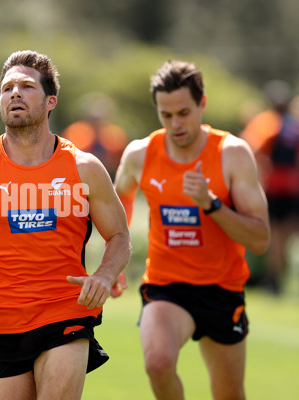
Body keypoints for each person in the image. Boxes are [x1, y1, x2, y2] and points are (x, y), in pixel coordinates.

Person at [0, 50, 131, 400]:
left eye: (26, 86)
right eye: (7, 87)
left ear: (50, 101)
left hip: (66, 310)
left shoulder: (84, 168)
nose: (15, 93)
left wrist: (104, 274)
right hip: (5, 320)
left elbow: (119, 235)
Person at [114, 60, 270, 399]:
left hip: (222, 287)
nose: (175, 124)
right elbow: (117, 201)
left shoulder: (232, 154)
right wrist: (114, 259)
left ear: (202, 104)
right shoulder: (140, 154)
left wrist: (212, 204)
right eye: (166, 115)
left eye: (184, 113)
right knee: (157, 363)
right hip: (166, 286)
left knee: (228, 393)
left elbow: (260, 239)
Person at [240, 80, 299, 294]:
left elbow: (250, 148)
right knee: (286, 236)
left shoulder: (267, 123)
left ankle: (274, 281)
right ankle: (279, 278)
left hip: (274, 186)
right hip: (293, 187)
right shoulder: (294, 125)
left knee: (274, 236)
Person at [62, 93, 129, 179]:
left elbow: (121, 161)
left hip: (109, 176)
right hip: (77, 175)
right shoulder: (75, 132)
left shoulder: (116, 134)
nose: (97, 120)